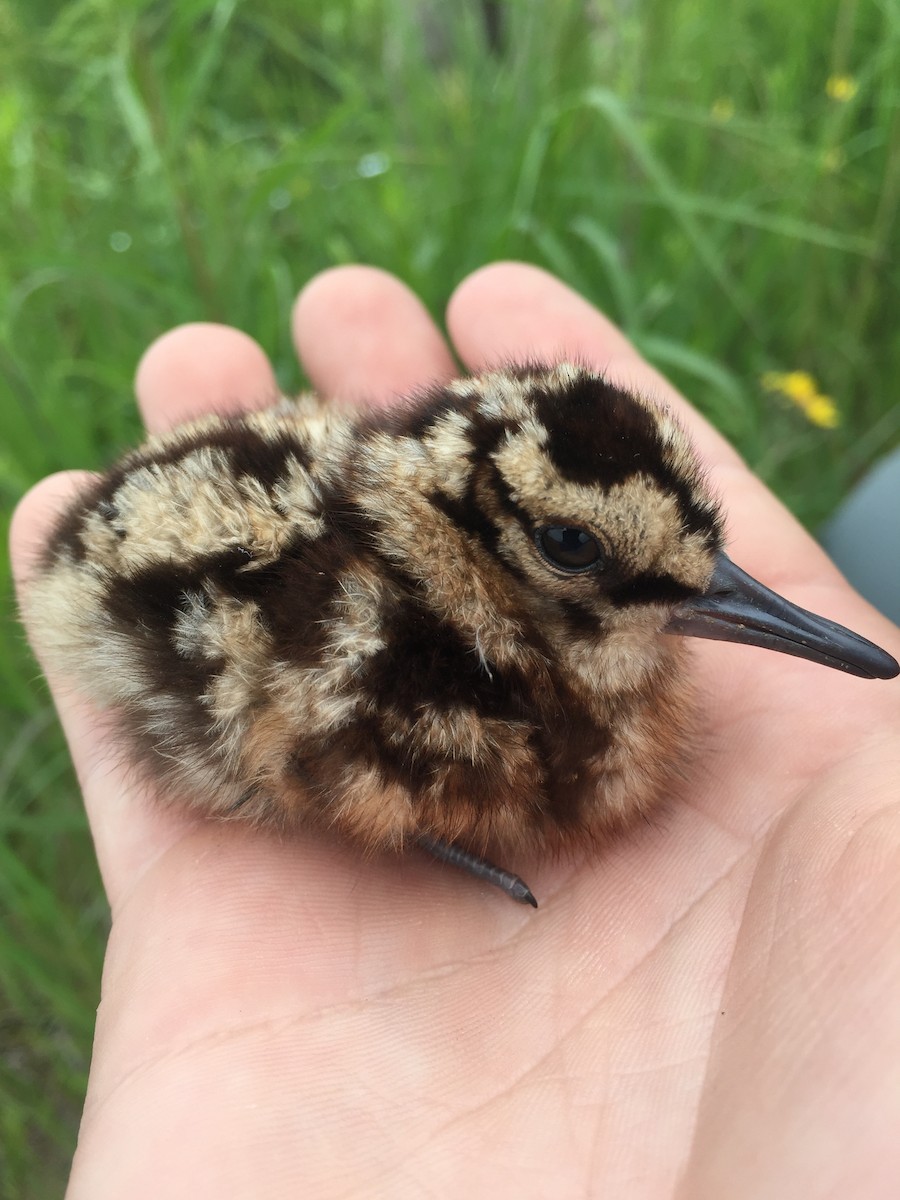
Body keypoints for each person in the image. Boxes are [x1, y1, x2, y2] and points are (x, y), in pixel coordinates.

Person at [12, 263, 900, 1198]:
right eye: (574, 549)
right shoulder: (385, 664)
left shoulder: (518, 623)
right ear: (458, 533)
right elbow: (332, 734)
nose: (711, 594)